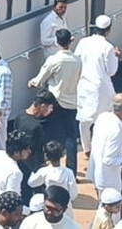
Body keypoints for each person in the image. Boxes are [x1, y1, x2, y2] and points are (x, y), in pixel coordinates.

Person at [30, 29, 81, 171]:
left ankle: (45, 164)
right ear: (70, 41)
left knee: (46, 132)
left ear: (57, 42)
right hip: (72, 103)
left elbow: (39, 80)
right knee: (71, 137)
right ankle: (72, 170)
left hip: (54, 102)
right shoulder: (78, 60)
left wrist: (32, 83)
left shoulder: (54, 60)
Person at [76, 15, 121, 152]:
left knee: (84, 122)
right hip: (102, 88)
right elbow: (112, 71)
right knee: (106, 120)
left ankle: (87, 149)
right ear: (108, 30)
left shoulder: (83, 42)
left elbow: (77, 60)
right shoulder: (108, 47)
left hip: (84, 86)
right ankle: (102, 148)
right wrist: (117, 56)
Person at [90, 93, 122, 203]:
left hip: (98, 175)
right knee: (114, 214)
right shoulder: (116, 130)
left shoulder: (102, 117)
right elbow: (108, 160)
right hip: (109, 181)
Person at [0, 130, 32, 211]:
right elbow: (12, 201)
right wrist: (29, 211)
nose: (29, 151)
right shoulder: (15, 172)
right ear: (17, 152)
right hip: (4, 215)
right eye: (26, 149)